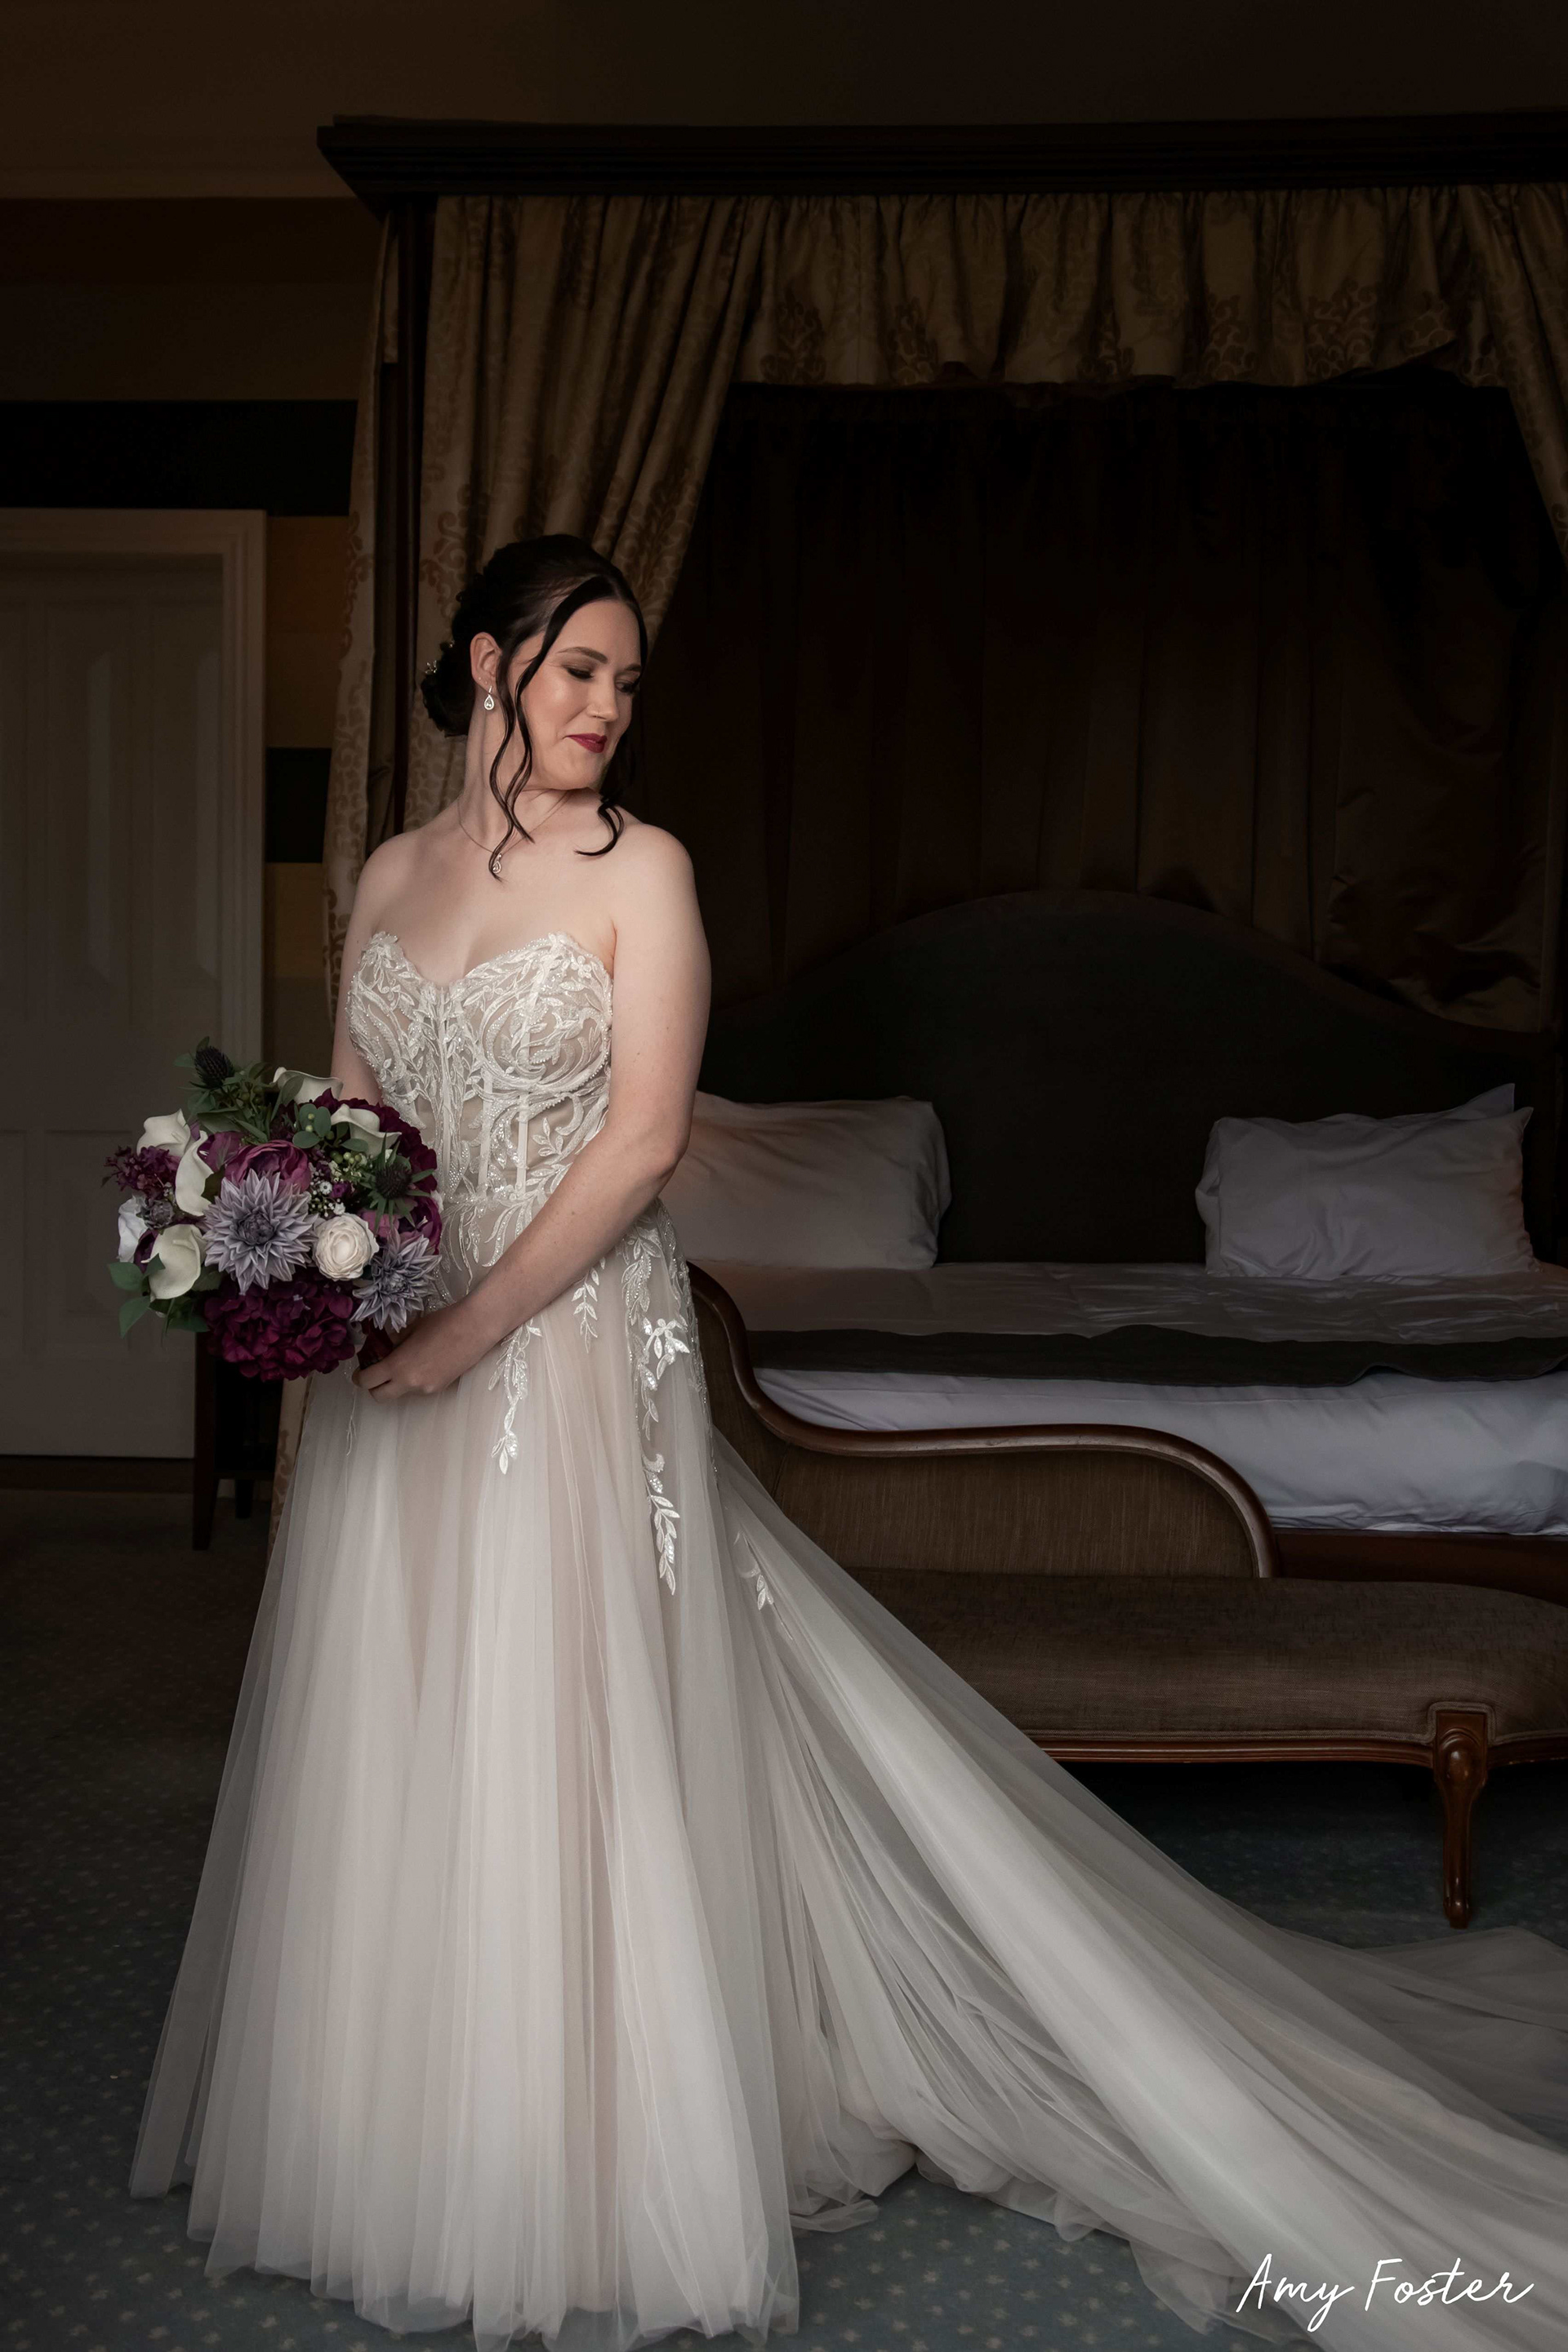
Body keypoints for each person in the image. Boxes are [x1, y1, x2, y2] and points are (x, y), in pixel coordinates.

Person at [130, 535, 1568, 2352]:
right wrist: (298, 1277)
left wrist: (475, 1329)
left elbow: (647, 1144)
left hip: (561, 1355)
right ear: (489, 667)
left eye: (628, 683)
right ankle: (396, 2122)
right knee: (401, 1708)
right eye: (578, 670)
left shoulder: (643, 872)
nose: (605, 710)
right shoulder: (395, 875)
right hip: (395, 1355)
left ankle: (579, 2148)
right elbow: (351, 1100)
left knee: (575, 1716)